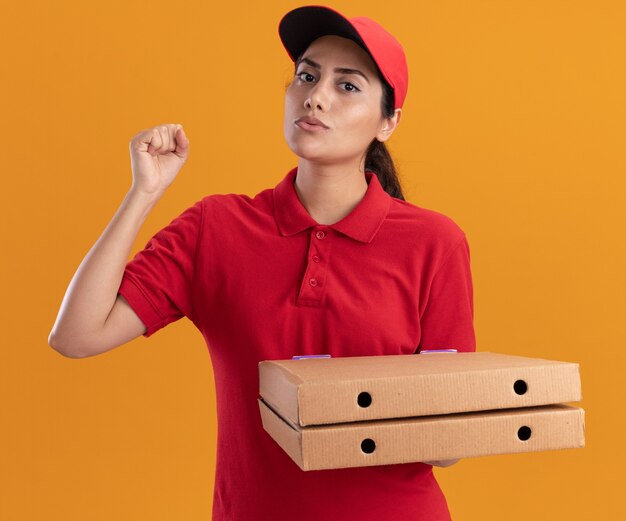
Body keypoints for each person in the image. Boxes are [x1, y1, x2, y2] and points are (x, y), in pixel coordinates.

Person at [48, 5, 475, 520]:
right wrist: (143, 193)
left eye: (348, 86)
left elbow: (447, 443)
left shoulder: (434, 242)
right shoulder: (217, 228)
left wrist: (329, 403)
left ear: (388, 122)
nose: (316, 95)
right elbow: (76, 335)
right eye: (307, 76)